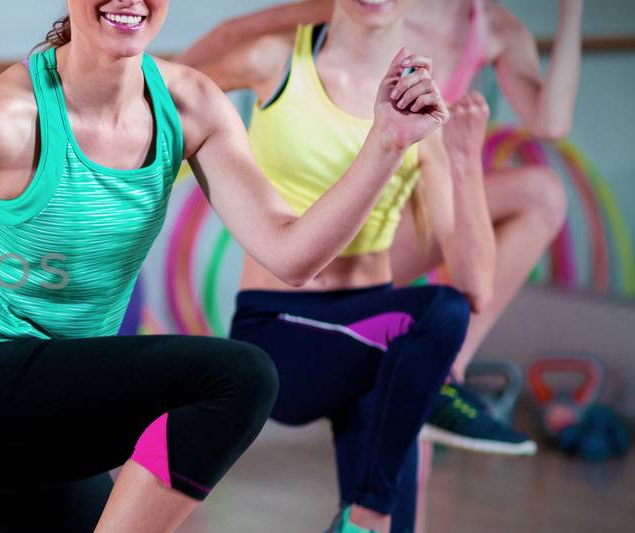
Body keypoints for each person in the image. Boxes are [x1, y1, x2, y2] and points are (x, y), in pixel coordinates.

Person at [0, 0, 448, 531]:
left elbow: (291, 252)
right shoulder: (7, 121)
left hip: (44, 405)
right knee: (238, 376)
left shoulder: (189, 104)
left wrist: (385, 143)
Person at [181, 0, 583, 457]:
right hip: (344, 202)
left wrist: (573, 11)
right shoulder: (364, 8)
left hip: (413, 193)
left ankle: (448, 375)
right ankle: (435, 383)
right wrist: (152, 83)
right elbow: (236, 32)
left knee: (542, 196)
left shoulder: (494, 28)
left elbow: (551, 123)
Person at [180, 0, 496, 531]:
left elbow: (476, 289)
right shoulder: (274, 62)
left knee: (397, 524)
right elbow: (172, 88)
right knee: (431, 314)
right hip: (280, 333)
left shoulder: (422, 109)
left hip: (373, 338)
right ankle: (370, 504)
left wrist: (465, 163)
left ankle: (369, 513)